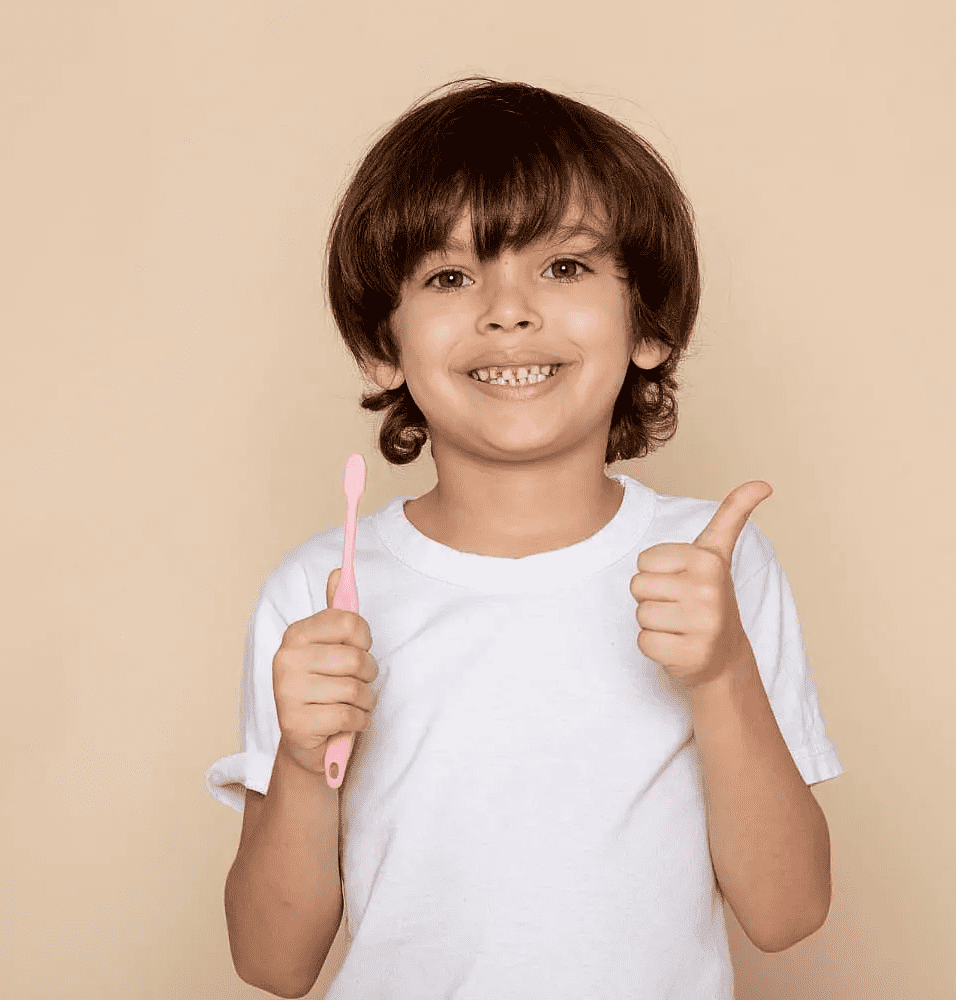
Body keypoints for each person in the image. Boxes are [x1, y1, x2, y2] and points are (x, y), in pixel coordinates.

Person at [207, 77, 844, 999]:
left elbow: (787, 913)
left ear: (649, 326)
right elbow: (273, 964)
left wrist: (720, 673)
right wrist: (305, 768)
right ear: (383, 347)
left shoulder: (714, 567)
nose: (508, 310)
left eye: (565, 267)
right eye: (450, 276)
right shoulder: (321, 591)